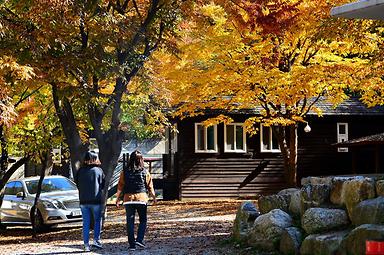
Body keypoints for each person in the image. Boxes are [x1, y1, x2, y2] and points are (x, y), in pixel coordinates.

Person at [115, 150, 157, 251]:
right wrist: (154, 197)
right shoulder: (145, 171)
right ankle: (139, 239)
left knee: (130, 222)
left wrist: (117, 199)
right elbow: (150, 186)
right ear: (141, 160)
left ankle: (132, 245)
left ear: (131, 159)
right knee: (143, 220)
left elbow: (120, 186)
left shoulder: (124, 172)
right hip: (141, 198)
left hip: (128, 199)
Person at [75, 150, 105, 252]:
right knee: (97, 220)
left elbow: (77, 184)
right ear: (93, 159)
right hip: (96, 200)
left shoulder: (80, 171)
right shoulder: (98, 171)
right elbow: (103, 185)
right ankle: (96, 240)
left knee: (86, 223)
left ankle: (86, 244)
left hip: (83, 200)